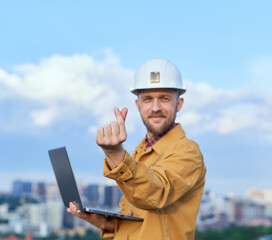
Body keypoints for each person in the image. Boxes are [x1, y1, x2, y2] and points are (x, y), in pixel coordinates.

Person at [67, 58, 206, 240]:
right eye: (147, 99)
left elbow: (155, 194)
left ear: (179, 104)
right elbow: (138, 221)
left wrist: (115, 154)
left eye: (164, 98)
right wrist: (104, 223)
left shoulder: (188, 152)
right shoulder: (139, 153)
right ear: (137, 105)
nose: (155, 107)